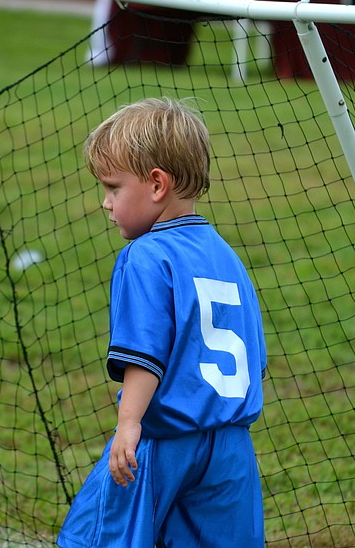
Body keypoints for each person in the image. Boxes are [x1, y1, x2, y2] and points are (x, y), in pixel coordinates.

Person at [57, 97, 267, 548]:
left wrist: (128, 422)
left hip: (166, 441)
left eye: (113, 188)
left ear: (156, 185)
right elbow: (255, 357)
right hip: (231, 448)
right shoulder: (226, 255)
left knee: (93, 538)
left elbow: (146, 355)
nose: (105, 203)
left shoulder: (145, 255)